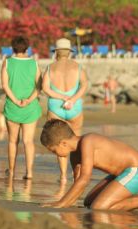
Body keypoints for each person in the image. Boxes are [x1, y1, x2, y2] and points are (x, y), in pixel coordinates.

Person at [40, 119, 138, 210]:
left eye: (53, 151)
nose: (55, 154)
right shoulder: (74, 155)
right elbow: (78, 183)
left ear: (63, 143)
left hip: (134, 170)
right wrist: (67, 203)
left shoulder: (88, 141)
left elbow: (84, 179)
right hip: (122, 174)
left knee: (98, 208)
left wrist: (61, 203)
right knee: (88, 202)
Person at [42, 38, 88, 184]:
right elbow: (84, 85)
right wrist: (72, 99)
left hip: (56, 107)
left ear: (56, 53)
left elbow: (45, 88)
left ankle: (63, 176)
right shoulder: (77, 67)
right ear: (69, 52)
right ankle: (77, 175)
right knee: (75, 142)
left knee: (59, 141)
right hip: (75, 107)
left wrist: (62, 97)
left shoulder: (50, 68)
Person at [2, 36, 42, 179]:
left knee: (13, 141)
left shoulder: (7, 62)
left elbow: (5, 85)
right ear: (27, 47)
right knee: (28, 141)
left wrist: (16, 101)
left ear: (13, 48)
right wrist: (29, 100)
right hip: (30, 107)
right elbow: (39, 85)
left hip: (12, 106)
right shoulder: (34, 63)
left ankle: (12, 171)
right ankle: (29, 172)